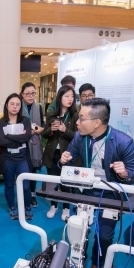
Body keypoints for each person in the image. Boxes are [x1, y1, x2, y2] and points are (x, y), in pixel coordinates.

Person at [59, 97, 134, 268]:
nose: (77, 122)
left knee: (104, 235)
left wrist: (125, 173)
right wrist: (64, 160)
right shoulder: (79, 137)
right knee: (79, 229)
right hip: (86, 190)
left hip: (110, 193)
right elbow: (68, 162)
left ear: (97, 123)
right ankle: (77, 263)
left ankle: (98, 265)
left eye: (82, 118)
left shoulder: (123, 141)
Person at [0, 93, 34, 220]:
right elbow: (2, 141)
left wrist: (9, 136)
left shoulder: (25, 120)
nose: (15, 107)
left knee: (26, 186)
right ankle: (12, 207)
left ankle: (27, 206)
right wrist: (19, 138)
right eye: (12, 104)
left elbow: (27, 137)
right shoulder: (1, 122)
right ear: (7, 105)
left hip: (22, 159)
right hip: (8, 159)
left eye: (17, 104)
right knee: (9, 185)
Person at [42, 85, 78, 221]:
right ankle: (54, 205)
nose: (70, 99)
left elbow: (78, 137)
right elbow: (44, 134)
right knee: (53, 182)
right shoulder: (51, 114)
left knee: (66, 183)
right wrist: (51, 130)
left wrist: (65, 130)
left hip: (67, 155)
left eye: (72, 96)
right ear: (60, 98)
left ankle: (66, 208)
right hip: (52, 154)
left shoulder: (75, 115)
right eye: (67, 96)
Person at [21, 82, 44, 208]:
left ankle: (32, 194)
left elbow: (43, 125)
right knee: (24, 169)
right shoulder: (19, 107)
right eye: (27, 94)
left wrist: (41, 129)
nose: (30, 96)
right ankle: (24, 194)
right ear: (22, 94)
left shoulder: (38, 107)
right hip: (22, 142)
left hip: (35, 142)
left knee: (34, 170)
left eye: (33, 93)